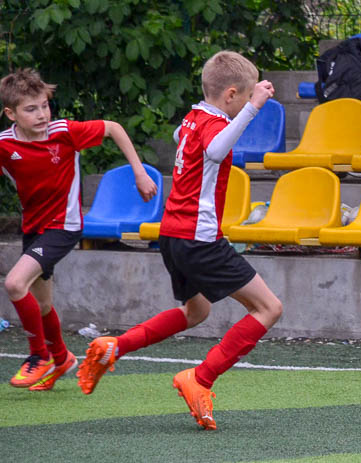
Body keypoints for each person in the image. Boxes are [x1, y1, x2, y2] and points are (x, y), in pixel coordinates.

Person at [77, 51, 282, 431]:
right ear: (232, 95)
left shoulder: (192, 118)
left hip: (173, 233)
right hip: (198, 238)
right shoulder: (217, 122)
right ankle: (201, 379)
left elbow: (181, 136)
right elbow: (217, 150)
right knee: (268, 308)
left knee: (196, 312)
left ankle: (113, 347)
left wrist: (242, 107)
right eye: (247, 95)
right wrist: (253, 108)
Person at [0, 68, 157, 391]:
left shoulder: (64, 132)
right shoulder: (5, 145)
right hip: (35, 228)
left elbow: (113, 128)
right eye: (31, 109)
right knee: (41, 305)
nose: (42, 114)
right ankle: (62, 359)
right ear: (10, 114)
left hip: (64, 226)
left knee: (15, 284)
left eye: (44, 105)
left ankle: (38, 356)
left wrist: (139, 173)